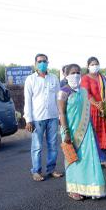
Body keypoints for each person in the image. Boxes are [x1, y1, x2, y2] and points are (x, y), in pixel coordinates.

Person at [57, 64, 106, 201]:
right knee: (73, 160)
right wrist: (66, 132)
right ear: (66, 75)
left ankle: (90, 187)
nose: (76, 75)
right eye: (72, 73)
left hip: (86, 131)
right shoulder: (63, 92)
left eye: (78, 72)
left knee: (87, 160)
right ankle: (73, 189)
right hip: (70, 132)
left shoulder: (84, 91)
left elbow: (87, 112)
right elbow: (61, 113)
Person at [24, 53, 63, 181]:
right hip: (37, 118)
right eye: (40, 61)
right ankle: (36, 171)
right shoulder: (30, 79)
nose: (42, 63)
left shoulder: (54, 79)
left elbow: (58, 98)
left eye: (44, 61)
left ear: (48, 63)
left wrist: (60, 116)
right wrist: (28, 119)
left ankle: (51, 169)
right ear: (35, 64)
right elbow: (28, 101)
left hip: (52, 116)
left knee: (53, 144)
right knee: (37, 146)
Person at [81, 57, 106, 168]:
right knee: (92, 136)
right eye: (92, 64)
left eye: (96, 64)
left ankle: (103, 159)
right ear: (88, 66)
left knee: (102, 135)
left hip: (103, 111)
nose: (95, 66)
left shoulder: (102, 78)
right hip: (91, 111)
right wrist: (97, 104)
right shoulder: (85, 79)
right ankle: (93, 161)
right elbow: (86, 93)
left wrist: (103, 105)